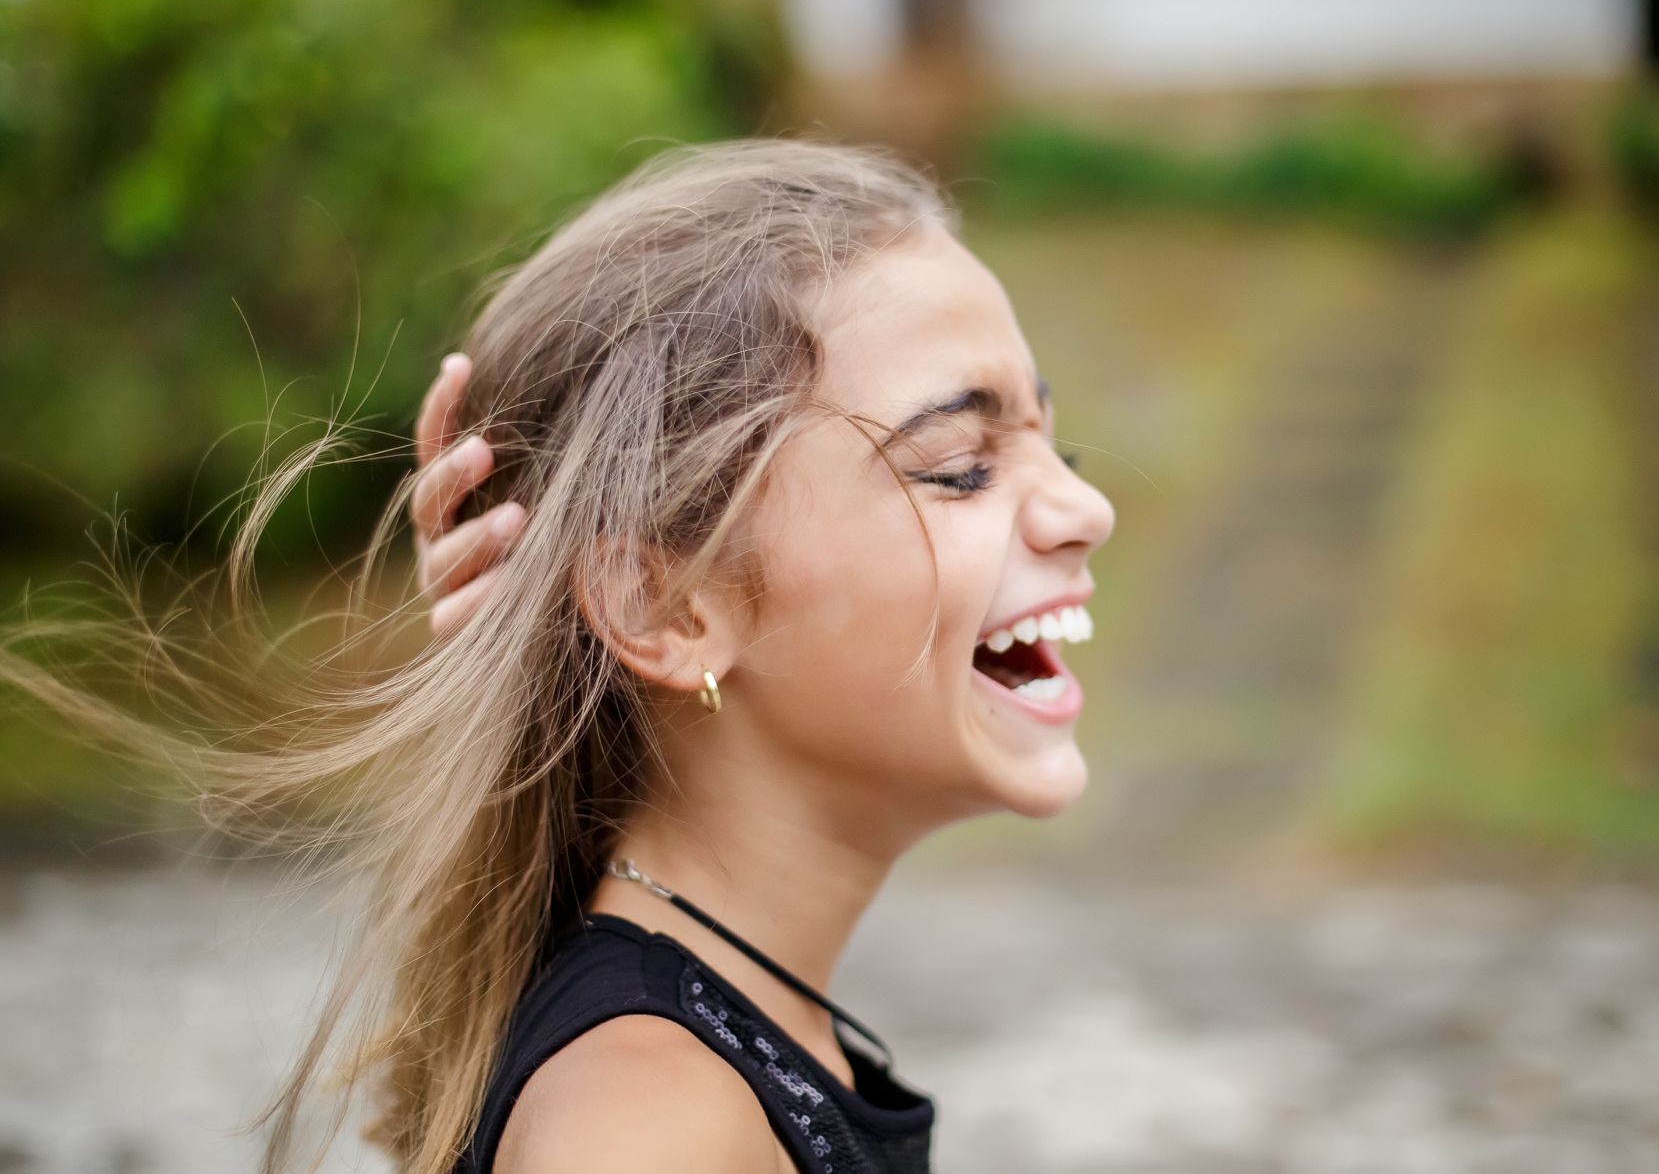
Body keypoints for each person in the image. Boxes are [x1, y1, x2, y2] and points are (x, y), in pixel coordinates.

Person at [0, 138, 1114, 1174]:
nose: (1087, 507)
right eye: (960, 464)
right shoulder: (650, 1126)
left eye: (1050, 441)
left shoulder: (683, 1063)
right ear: (665, 603)